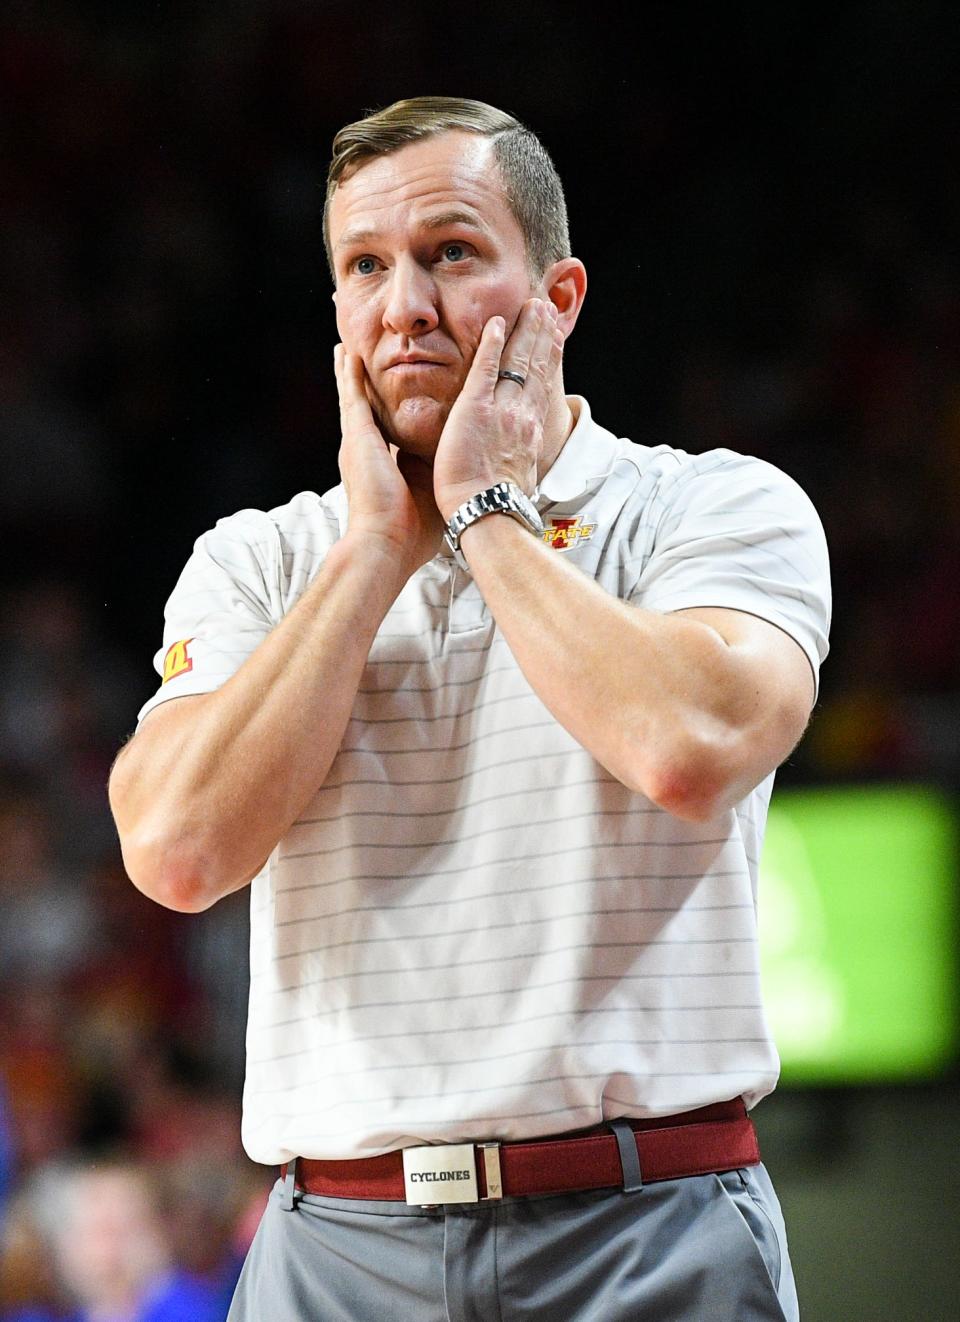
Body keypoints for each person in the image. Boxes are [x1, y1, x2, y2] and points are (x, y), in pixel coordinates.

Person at [108, 96, 830, 1320]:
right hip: (335, 1245)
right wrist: (370, 558)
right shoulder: (261, 561)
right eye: (366, 268)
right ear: (337, 315)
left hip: (647, 1228)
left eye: (450, 253)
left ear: (559, 298)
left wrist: (486, 513)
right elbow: (178, 849)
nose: (406, 309)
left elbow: (691, 748)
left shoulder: (715, 510)